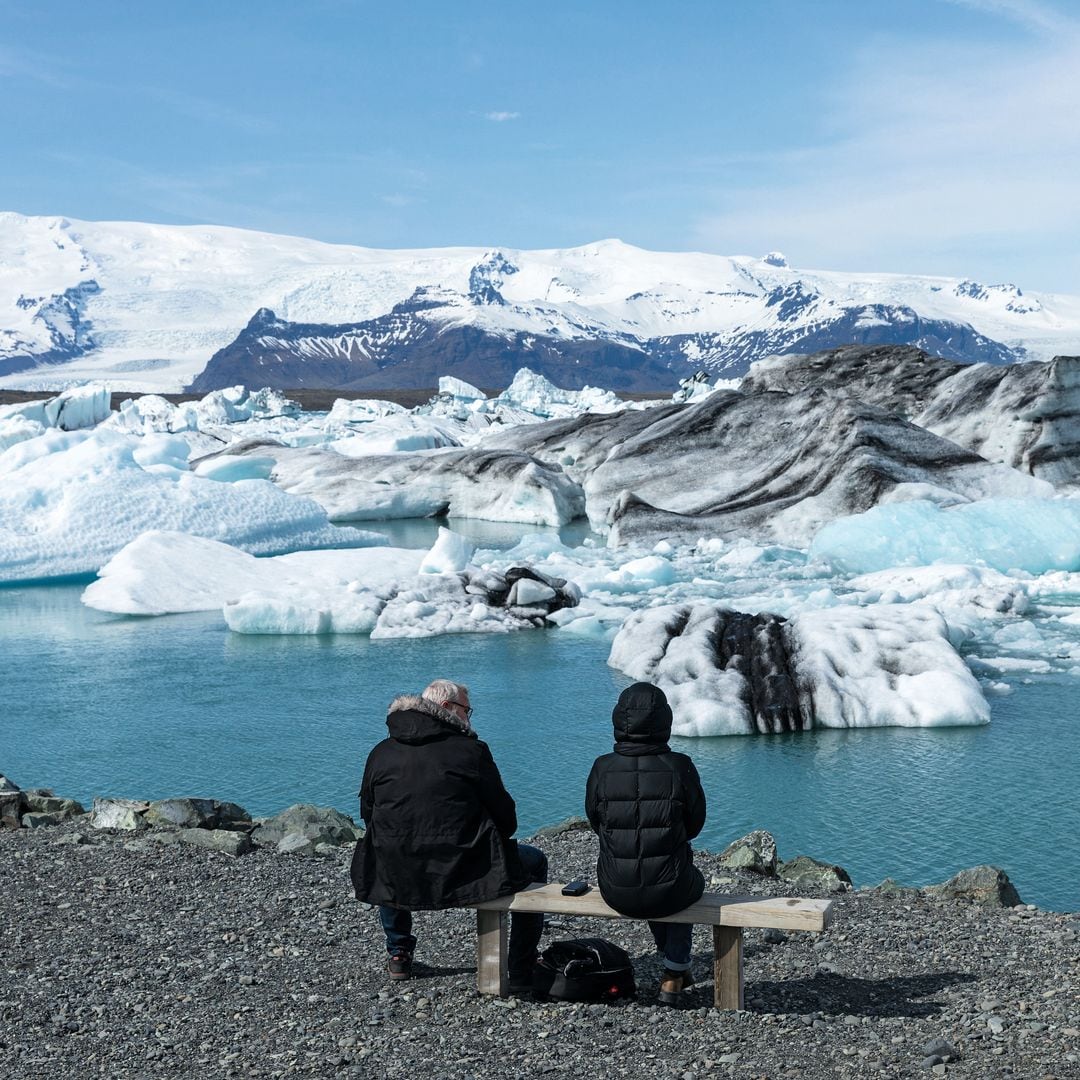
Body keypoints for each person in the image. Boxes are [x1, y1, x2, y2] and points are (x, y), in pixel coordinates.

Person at [351, 679, 547, 987]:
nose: (469, 717)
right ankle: (521, 967)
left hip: (398, 868)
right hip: (464, 869)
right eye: (467, 709)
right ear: (446, 708)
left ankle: (398, 952)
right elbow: (506, 818)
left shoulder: (381, 752)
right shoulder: (471, 750)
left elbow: (368, 813)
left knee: (388, 849)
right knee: (535, 861)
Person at [585, 681, 706, 1006]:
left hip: (615, 887)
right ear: (664, 720)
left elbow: (595, 821)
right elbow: (695, 824)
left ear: (619, 719)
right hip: (669, 889)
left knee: (657, 872)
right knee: (675, 877)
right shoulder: (679, 766)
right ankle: (674, 971)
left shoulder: (602, 767)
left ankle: (673, 963)